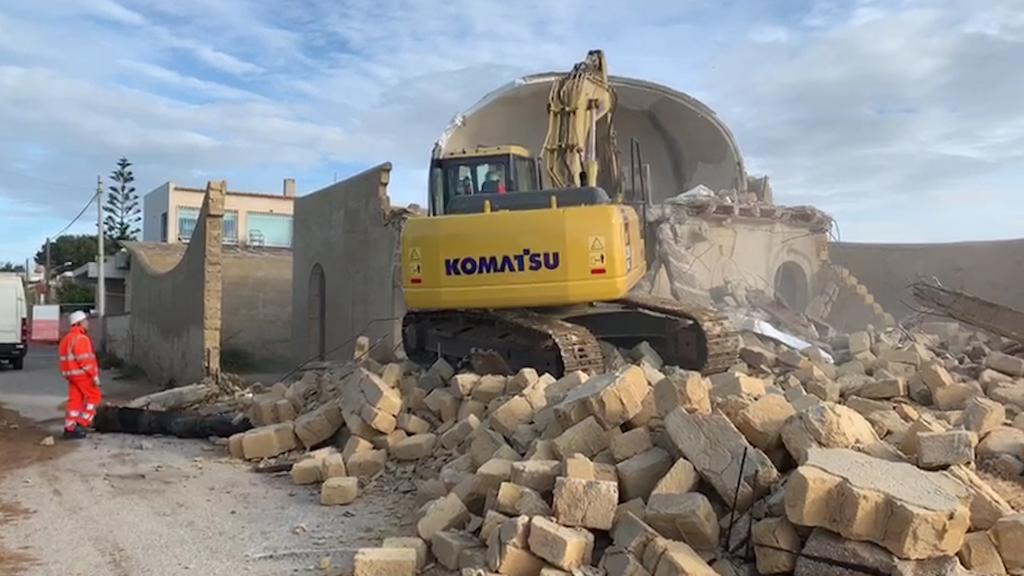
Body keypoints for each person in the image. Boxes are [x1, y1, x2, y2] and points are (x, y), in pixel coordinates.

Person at [58, 310, 101, 439]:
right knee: (94, 397)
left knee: (75, 400)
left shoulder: (66, 339)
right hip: (82, 375)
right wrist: (94, 376)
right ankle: (82, 423)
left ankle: (70, 426)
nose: (87, 323)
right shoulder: (81, 339)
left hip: (71, 375)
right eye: (85, 321)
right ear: (79, 323)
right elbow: (85, 360)